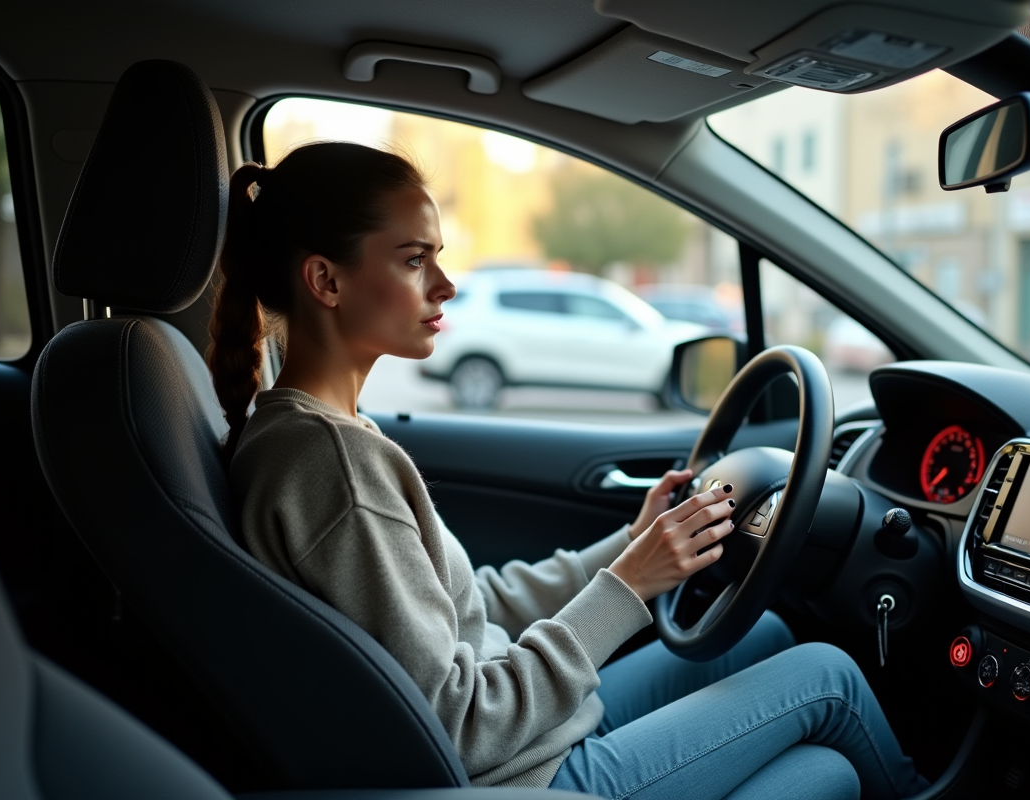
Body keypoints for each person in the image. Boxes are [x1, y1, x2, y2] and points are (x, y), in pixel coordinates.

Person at [209, 141, 929, 800]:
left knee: (766, 641)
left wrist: (632, 545)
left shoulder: (321, 436)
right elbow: (456, 724)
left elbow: (473, 608)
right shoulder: (332, 465)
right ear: (326, 280)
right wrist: (631, 585)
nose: (447, 284)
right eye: (414, 259)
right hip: (519, 776)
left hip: (527, 737)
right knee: (828, 683)